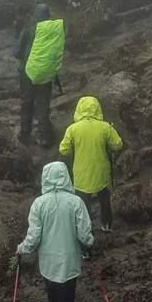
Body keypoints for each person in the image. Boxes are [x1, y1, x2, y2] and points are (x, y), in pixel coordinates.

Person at [16, 161, 93, 302]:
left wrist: (21, 248)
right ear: (66, 176)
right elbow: (84, 235)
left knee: (53, 300)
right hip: (69, 262)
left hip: (48, 264)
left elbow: (33, 239)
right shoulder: (76, 202)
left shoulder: (39, 204)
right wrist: (89, 243)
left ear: (45, 178)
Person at [59, 96, 123, 236]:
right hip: (101, 171)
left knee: (83, 203)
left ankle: (85, 230)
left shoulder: (72, 129)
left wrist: (75, 147)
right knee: (104, 199)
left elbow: (63, 150)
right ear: (97, 108)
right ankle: (106, 225)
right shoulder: (105, 127)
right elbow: (117, 144)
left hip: (81, 172)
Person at [15, 3, 65, 146]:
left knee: (27, 102)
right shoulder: (55, 30)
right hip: (46, 73)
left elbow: (17, 53)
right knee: (43, 104)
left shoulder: (29, 30)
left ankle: (25, 135)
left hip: (27, 73)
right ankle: (45, 137)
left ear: (35, 15)